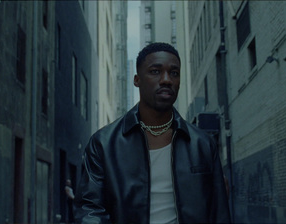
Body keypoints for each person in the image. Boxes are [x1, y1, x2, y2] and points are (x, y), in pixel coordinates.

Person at [74, 42, 231, 223]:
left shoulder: (202, 144)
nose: (166, 80)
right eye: (155, 71)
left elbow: (219, 213)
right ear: (137, 80)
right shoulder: (103, 144)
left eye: (174, 73)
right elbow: (90, 211)